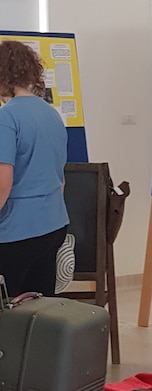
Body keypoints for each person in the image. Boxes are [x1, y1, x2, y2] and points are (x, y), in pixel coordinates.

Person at [0, 40, 68, 298]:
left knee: (7, 312)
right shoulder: (51, 114)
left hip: (16, 230)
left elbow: (2, 183)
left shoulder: (6, 117)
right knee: (39, 312)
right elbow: (60, 178)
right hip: (53, 224)